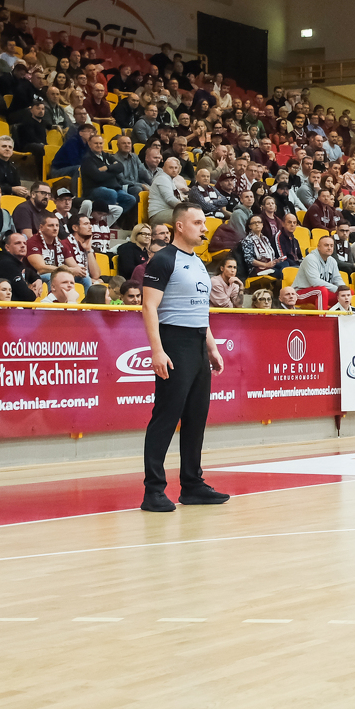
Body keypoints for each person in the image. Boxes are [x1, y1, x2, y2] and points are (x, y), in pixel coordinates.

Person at [140, 203, 230, 512]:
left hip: (196, 343)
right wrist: (157, 350)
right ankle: (153, 491)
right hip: (174, 342)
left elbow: (200, 311)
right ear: (180, 226)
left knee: (196, 416)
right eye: (198, 223)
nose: (204, 228)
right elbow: (149, 307)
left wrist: (211, 347)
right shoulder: (164, 259)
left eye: (204, 223)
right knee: (166, 417)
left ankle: (192, 485)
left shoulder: (198, 262)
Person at [293, 234, 349, 310]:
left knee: (346, 294)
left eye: (331, 246)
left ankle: (339, 315)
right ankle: (322, 316)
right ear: (318, 247)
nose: (329, 248)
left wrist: (343, 290)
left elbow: (337, 278)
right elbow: (315, 282)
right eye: (326, 245)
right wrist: (336, 288)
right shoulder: (310, 259)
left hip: (318, 292)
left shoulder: (332, 260)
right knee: (321, 291)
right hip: (299, 293)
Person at [0, 232, 43, 300]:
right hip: (0, 306)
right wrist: (35, 292)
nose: (23, 246)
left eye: (25, 243)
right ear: (7, 247)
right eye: (17, 243)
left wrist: (38, 279)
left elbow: (28, 272)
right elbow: (26, 296)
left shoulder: (16, 263)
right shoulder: (6, 264)